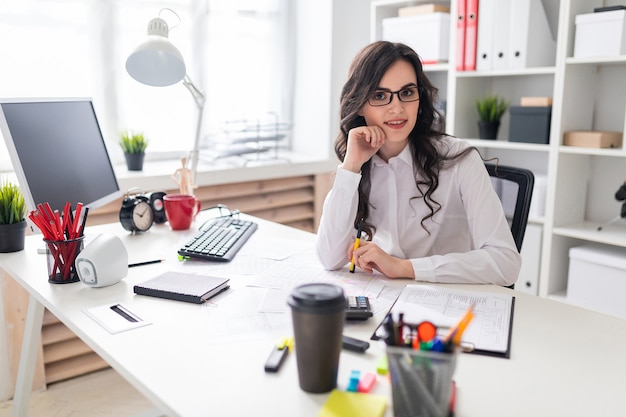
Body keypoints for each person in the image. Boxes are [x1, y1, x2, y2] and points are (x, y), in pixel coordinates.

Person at [315, 41, 520, 286]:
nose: (397, 108)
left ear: (419, 97)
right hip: (387, 298)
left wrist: (405, 268)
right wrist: (351, 167)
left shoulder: (460, 158)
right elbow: (329, 258)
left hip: (451, 301)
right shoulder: (361, 162)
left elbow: (506, 263)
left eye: (407, 92)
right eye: (380, 96)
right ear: (359, 104)